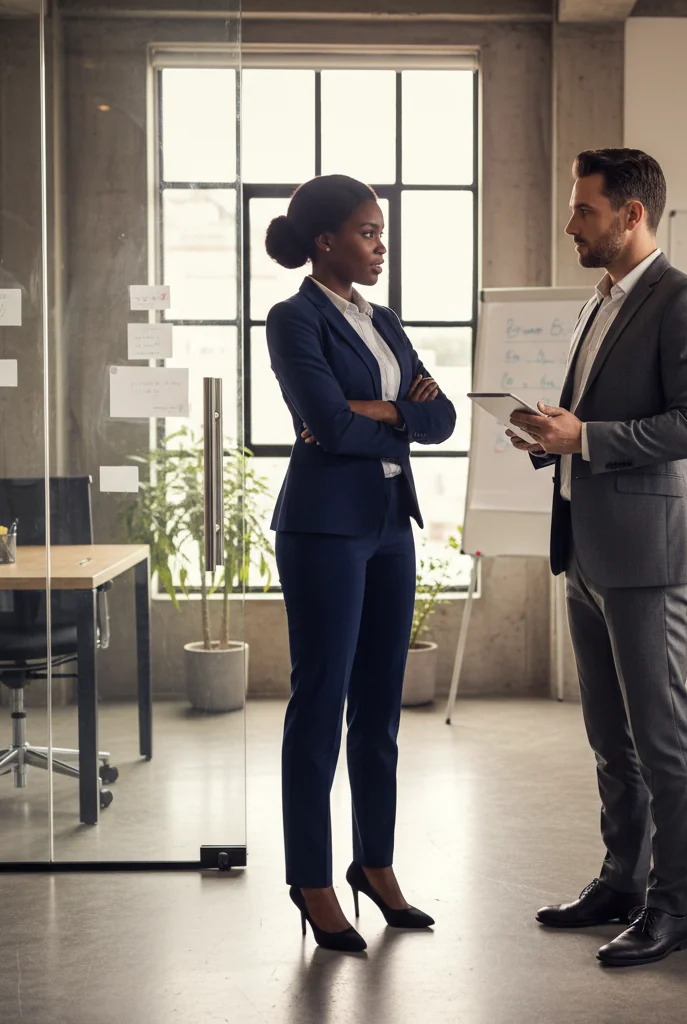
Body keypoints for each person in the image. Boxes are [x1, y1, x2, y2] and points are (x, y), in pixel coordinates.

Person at [507, 149, 687, 968]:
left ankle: (674, 910)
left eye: (584, 211)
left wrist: (587, 438)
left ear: (632, 215)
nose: (572, 223)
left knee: (661, 738)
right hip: (586, 547)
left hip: (646, 556)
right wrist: (552, 436)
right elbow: (592, 422)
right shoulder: (596, 302)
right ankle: (621, 882)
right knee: (611, 738)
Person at [264, 174, 456, 952]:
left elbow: (440, 417)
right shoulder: (292, 319)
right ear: (325, 243)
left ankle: (373, 865)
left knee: (379, 713)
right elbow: (325, 427)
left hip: (388, 525)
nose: (381, 245)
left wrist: (379, 414)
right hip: (323, 530)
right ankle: (310, 879)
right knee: (320, 708)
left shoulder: (385, 321)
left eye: (382, 231)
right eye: (369, 232)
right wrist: (387, 417)